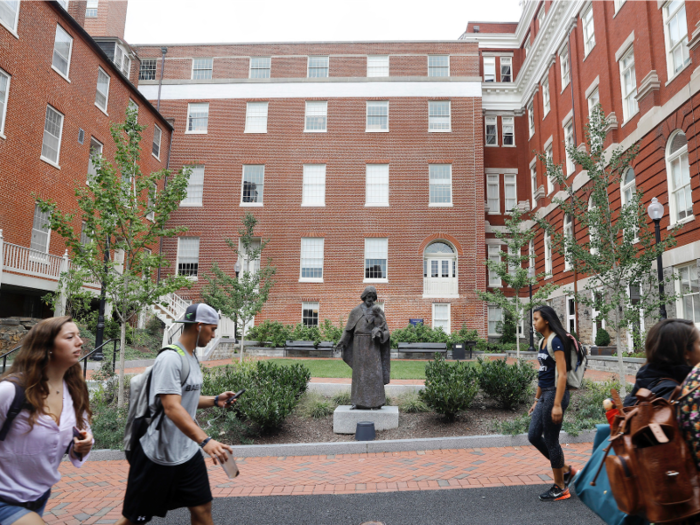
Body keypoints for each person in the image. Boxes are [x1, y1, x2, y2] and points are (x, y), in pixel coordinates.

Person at [117, 303, 239, 525]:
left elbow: (184, 400)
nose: (213, 335)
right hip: (157, 454)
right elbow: (171, 407)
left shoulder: (191, 357)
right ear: (199, 326)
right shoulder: (171, 358)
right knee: (133, 520)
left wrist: (214, 400)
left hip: (186, 452)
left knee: (202, 509)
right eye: (212, 329)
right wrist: (206, 441)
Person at [0, 316, 94, 525]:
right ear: (47, 347)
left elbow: (82, 432)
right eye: (70, 337)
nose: (80, 342)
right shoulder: (10, 391)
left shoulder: (75, 392)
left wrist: (84, 444)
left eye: (79, 336)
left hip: (39, 496)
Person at [527, 305, 575, 502]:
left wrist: (557, 404)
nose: (534, 323)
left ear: (546, 320)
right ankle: (565, 470)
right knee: (533, 435)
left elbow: (562, 374)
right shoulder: (542, 342)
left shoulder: (556, 341)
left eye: (536, 319)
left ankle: (560, 486)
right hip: (545, 394)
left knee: (551, 439)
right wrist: (536, 400)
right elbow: (543, 373)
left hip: (556, 394)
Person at [336, 286, 391, 409]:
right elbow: (348, 330)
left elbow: (386, 331)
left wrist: (379, 333)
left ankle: (376, 402)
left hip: (373, 345)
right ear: (364, 297)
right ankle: (357, 401)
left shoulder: (378, 312)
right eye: (368, 297)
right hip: (359, 345)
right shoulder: (356, 311)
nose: (370, 299)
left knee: (375, 374)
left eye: (372, 297)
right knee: (359, 374)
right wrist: (342, 341)